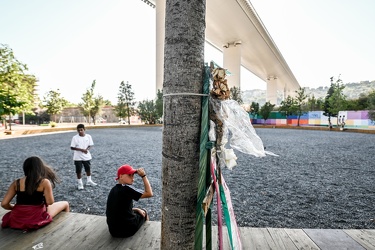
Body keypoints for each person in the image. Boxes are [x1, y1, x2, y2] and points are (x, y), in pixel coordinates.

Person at [1, 156, 70, 231]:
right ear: (40, 168)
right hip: (36, 216)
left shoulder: (16, 183)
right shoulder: (44, 182)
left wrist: (14, 207)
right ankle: (66, 230)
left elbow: (4, 203)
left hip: (18, 218)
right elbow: (50, 202)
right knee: (65, 203)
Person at [106, 164, 153, 238]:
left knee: (137, 211)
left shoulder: (114, 189)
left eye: (133, 176)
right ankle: (146, 235)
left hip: (113, 231)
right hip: (127, 230)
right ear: (121, 176)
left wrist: (136, 209)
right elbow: (149, 193)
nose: (133, 178)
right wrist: (143, 176)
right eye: (130, 175)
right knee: (144, 212)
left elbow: (118, 209)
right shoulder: (126, 189)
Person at [70, 123, 97, 190]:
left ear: (84, 129)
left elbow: (90, 145)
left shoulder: (88, 136)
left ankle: (89, 180)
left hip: (86, 155)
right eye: (78, 130)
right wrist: (81, 149)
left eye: (81, 130)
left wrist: (86, 149)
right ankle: (80, 183)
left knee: (88, 168)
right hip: (77, 157)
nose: (80, 131)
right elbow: (72, 147)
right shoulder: (75, 138)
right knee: (78, 170)